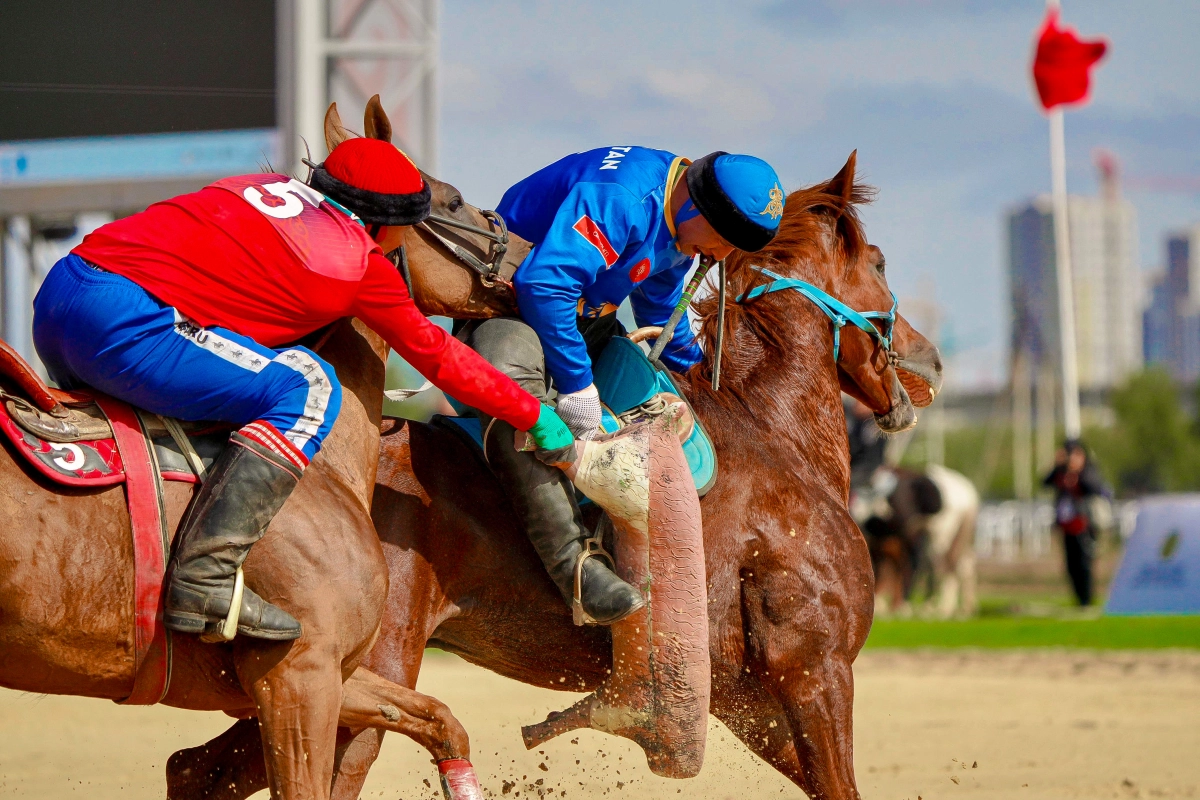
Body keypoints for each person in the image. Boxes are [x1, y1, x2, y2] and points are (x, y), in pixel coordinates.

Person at [31, 138, 573, 642]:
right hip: (123, 326)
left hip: (60, 294)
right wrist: (534, 415)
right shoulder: (364, 266)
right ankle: (205, 576)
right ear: (387, 227)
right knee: (308, 385)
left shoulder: (252, 185)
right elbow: (439, 356)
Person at [458, 146, 784, 625]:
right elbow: (544, 286)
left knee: (662, 407)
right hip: (509, 315)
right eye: (720, 242)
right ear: (694, 207)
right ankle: (576, 569)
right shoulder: (624, 199)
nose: (720, 257)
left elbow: (659, 311)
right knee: (526, 408)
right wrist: (576, 386)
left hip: (582, 325)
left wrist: (713, 381)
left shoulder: (680, 217)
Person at [1043, 440, 1108, 606]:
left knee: (1084, 564)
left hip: (1084, 525)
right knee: (1071, 565)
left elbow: (1095, 488)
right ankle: (1079, 598)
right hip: (1067, 526)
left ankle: (1086, 599)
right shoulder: (1061, 473)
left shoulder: (1088, 471)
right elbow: (1045, 482)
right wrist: (1057, 466)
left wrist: (1078, 472)